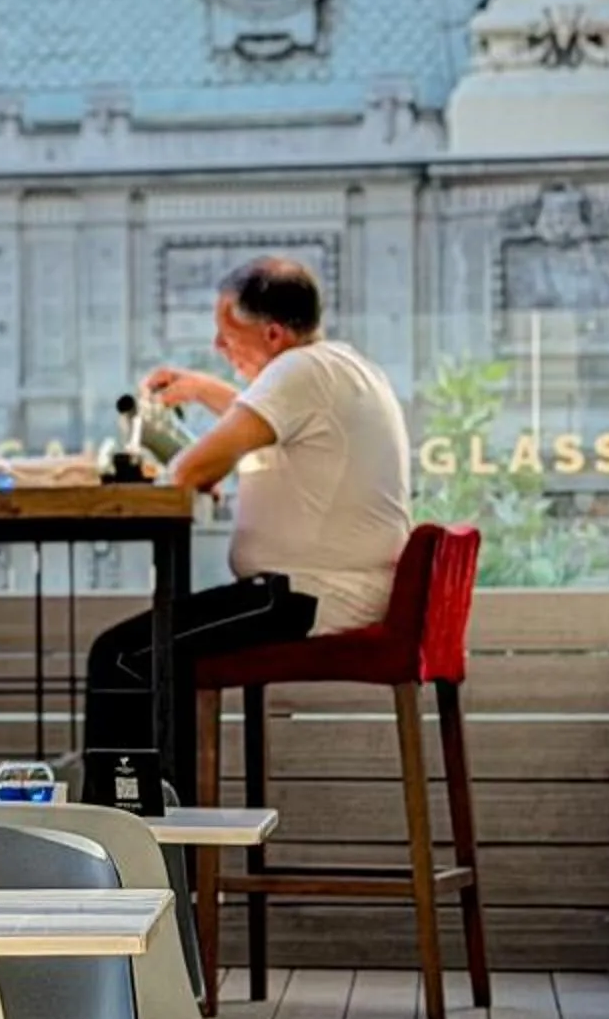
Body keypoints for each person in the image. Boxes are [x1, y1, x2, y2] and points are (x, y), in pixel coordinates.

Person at [86, 256, 411, 764]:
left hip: (305, 595)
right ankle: (166, 820)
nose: (219, 347)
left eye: (227, 332)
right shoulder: (337, 365)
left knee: (123, 656)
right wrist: (202, 391)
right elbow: (271, 427)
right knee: (156, 649)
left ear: (275, 334)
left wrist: (192, 462)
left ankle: (129, 832)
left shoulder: (299, 372)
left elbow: (191, 470)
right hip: (329, 590)